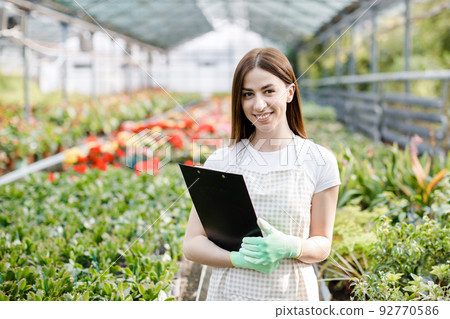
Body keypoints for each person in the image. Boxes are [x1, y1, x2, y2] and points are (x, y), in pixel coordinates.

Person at [183, 47, 341, 301]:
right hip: (229, 297)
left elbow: (322, 243)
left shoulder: (320, 161)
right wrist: (235, 259)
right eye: (248, 94)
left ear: (289, 92)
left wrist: (292, 246)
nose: (258, 105)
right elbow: (192, 244)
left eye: (269, 91)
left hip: (292, 297)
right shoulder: (221, 161)